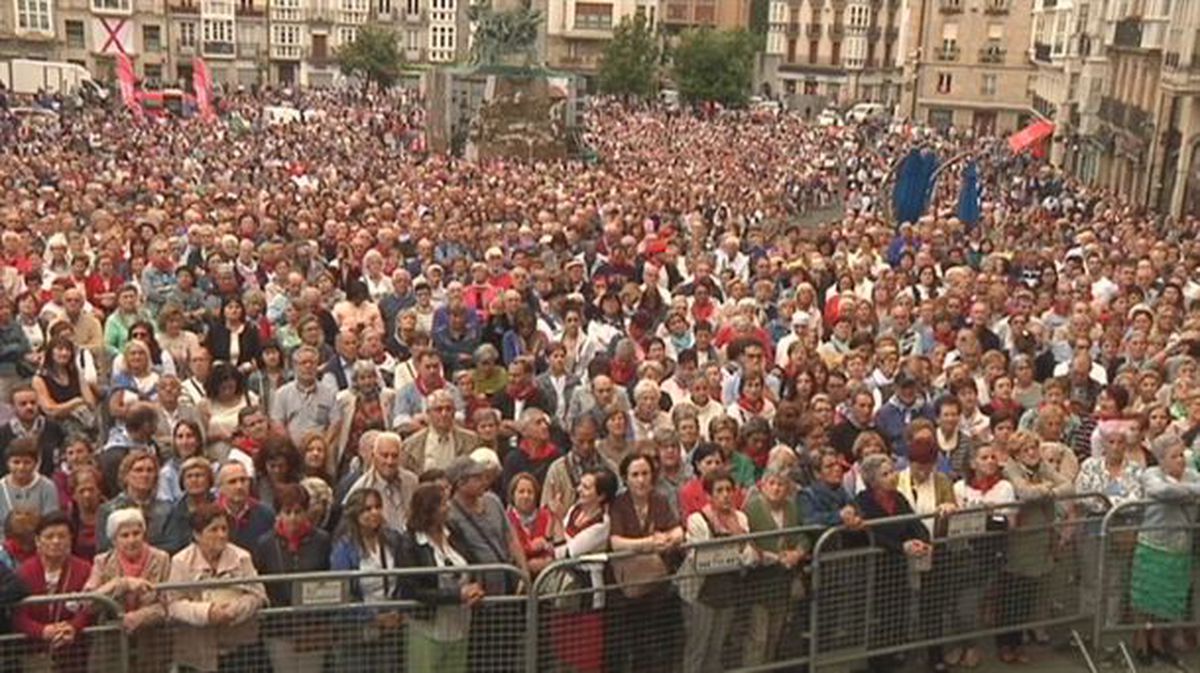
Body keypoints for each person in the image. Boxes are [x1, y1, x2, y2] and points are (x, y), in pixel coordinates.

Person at [998, 430, 1073, 664]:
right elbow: (1024, 492)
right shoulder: (1010, 468)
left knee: (1028, 595)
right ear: (1016, 453)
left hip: (1042, 537)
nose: (1031, 453)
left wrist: (1044, 488)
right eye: (1025, 450)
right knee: (1012, 595)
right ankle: (1005, 643)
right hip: (1020, 540)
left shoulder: (1041, 467)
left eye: (1034, 448)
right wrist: (1048, 490)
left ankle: (1018, 642)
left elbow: (1068, 485)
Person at [853, 454, 934, 673]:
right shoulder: (863, 501)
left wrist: (923, 540)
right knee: (877, 617)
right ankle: (876, 663)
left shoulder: (898, 498)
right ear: (872, 480)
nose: (893, 477)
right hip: (874, 569)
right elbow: (871, 534)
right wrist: (902, 546)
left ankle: (895, 655)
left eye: (893, 471)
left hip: (898, 567)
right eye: (885, 474)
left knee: (898, 612)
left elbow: (913, 523)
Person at [166, 503, 268, 673]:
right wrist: (207, 613)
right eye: (214, 530)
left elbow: (258, 596)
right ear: (197, 535)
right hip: (196, 650)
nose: (221, 535)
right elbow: (173, 605)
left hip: (238, 648)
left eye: (224, 529)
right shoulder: (180, 561)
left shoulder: (242, 557)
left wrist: (233, 611)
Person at [396, 482, 487, 673]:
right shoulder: (409, 543)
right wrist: (457, 595)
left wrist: (476, 587)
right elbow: (413, 589)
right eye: (444, 503)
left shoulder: (453, 531)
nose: (449, 508)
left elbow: (474, 562)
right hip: (428, 629)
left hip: (460, 626)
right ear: (430, 509)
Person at [607, 453, 684, 672]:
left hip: (657, 585)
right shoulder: (619, 504)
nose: (641, 480)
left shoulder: (659, 499)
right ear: (625, 478)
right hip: (626, 591)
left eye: (645, 474)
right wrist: (649, 543)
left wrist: (669, 540)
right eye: (635, 475)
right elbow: (616, 542)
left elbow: (677, 529)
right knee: (631, 648)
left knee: (658, 646)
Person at [1129, 432, 1200, 666]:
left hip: (1180, 548)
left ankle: (1158, 641)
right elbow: (1162, 492)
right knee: (1146, 596)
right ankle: (1141, 640)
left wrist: (1185, 489)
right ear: (1162, 458)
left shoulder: (1191, 474)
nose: (1180, 460)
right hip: (1153, 544)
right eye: (1174, 456)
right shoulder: (1151, 474)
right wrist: (1190, 492)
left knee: (1168, 598)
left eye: (1182, 455)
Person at [679, 469, 756, 673]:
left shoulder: (740, 518)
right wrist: (735, 550)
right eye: (719, 490)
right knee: (697, 649)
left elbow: (750, 558)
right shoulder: (697, 520)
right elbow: (700, 560)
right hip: (700, 594)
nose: (725, 495)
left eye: (729, 490)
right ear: (709, 495)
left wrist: (737, 535)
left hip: (727, 593)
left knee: (716, 649)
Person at [252, 483, 333, 673]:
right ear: (278, 514)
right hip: (279, 627)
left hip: (313, 627)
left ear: (306, 512)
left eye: (298, 512)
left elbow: (329, 579)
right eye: (287, 512)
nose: (293, 518)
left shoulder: (322, 540)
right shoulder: (265, 543)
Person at [82, 508, 171, 673]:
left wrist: (141, 616)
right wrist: (121, 584)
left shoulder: (162, 558)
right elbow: (88, 603)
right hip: (111, 644)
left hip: (151, 644)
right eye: (124, 535)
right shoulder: (102, 562)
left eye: (136, 533)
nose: (132, 540)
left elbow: (168, 603)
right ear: (114, 540)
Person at [330, 487, 405, 672]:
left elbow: (402, 579)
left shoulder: (392, 540)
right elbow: (342, 596)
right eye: (367, 509)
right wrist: (374, 617)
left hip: (391, 628)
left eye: (378, 507)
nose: (374, 513)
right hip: (355, 631)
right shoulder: (344, 549)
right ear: (355, 514)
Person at [743, 465, 809, 667]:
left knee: (775, 635)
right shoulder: (752, 508)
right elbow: (746, 541)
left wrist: (797, 552)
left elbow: (803, 535)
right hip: (759, 583)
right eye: (772, 484)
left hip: (784, 582)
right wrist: (771, 556)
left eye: (781, 484)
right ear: (763, 486)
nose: (776, 488)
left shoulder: (791, 507)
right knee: (758, 638)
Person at [13, 511, 93, 673]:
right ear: (38, 541)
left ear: (71, 539)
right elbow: (18, 615)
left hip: (73, 654)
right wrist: (43, 631)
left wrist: (73, 627)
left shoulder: (85, 569)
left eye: (62, 536)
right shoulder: (23, 572)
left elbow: (89, 608)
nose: (56, 541)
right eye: (49, 537)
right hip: (35, 653)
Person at [96, 450, 172, 552]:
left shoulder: (167, 510)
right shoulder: (108, 510)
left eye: (150, 470)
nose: (145, 475)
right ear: (126, 476)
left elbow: (172, 545)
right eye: (138, 470)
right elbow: (104, 549)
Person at [343, 431, 419, 532]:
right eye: (384, 455)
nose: (389, 461)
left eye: (394, 456)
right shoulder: (362, 488)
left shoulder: (412, 482)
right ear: (374, 456)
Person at [335, 361, 396, 476]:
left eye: (370, 377)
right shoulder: (343, 399)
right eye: (362, 378)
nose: (367, 382)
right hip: (352, 456)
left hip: (382, 454)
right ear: (355, 381)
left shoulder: (389, 396)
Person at [400, 388, 478, 474]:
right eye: (438, 409)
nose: (444, 414)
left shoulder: (472, 441)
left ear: (454, 412)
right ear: (428, 413)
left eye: (448, 409)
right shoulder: (411, 445)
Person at [0, 385, 66, 478]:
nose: (29, 407)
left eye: (33, 402)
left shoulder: (54, 429)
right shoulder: (3, 434)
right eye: (23, 404)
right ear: (12, 407)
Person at [505, 472, 559, 576]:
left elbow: (556, 545)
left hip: (548, 571)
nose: (526, 496)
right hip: (517, 575)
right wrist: (530, 549)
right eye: (521, 492)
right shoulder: (505, 520)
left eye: (530, 492)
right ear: (513, 495)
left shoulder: (547, 516)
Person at [216, 461, 275, 550]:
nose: (239, 486)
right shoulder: (211, 515)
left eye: (243, 480)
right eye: (232, 482)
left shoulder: (266, 514)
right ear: (220, 488)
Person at [162, 456, 216, 554]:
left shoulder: (219, 507)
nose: (194, 480)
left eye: (199, 475)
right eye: (189, 476)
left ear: (209, 480)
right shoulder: (174, 511)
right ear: (182, 482)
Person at [0, 438, 60, 524]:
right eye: (16, 462)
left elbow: (51, 521)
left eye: (27, 462)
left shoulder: (47, 486)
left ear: (36, 464)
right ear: (8, 463)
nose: (21, 467)